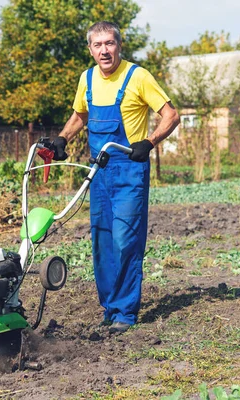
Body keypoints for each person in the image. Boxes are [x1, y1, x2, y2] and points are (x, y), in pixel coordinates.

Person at [52, 21, 179, 333]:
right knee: (102, 240)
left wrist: (149, 143)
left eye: (109, 43)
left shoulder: (138, 76)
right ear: (91, 50)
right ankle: (109, 307)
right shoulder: (87, 79)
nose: (104, 50)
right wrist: (62, 139)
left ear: (119, 46)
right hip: (98, 173)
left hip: (128, 170)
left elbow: (171, 115)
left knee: (125, 240)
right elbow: (80, 115)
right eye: (98, 45)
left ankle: (124, 312)